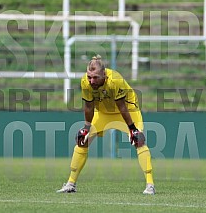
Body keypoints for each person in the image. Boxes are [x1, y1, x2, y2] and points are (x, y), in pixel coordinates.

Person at [56, 55, 155, 195]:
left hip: (127, 110)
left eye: (95, 77)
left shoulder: (114, 79)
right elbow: (89, 107)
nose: (91, 80)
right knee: (82, 142)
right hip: (103, 111)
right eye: (89, 76)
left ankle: (150, 185)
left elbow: (122, 107)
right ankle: (70, 184)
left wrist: (133, 129)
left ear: (104, 74)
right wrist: (86, 127)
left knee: (138, 141)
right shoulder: (85, 82)